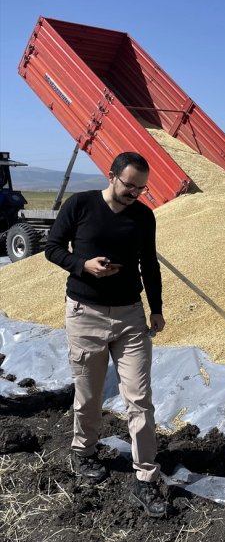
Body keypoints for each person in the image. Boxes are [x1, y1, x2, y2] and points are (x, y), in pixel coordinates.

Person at [45, 151, 169, 517]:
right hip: (85, 313)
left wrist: (157, 308)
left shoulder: (143, 216)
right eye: (129, 185)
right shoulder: (80, 205)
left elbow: (149, 262)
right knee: (88, 394)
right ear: (111, 175)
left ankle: (145, 477)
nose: (134, 193)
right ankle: (83, 452)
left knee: (140, 398)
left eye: (141, 189)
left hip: (130, 316)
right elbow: (52, 248)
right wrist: (82, 265)